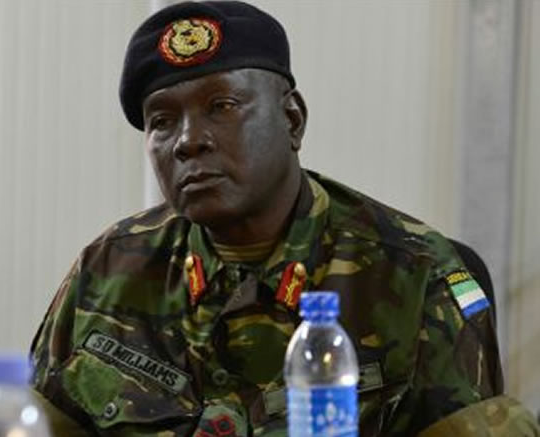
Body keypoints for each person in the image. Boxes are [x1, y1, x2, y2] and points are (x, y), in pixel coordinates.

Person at [29, 2, 540, 436]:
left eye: (222, 106)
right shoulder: (108, 269)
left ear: (292, 120)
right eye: (162, 121)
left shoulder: (416, 273)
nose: (188, 140)